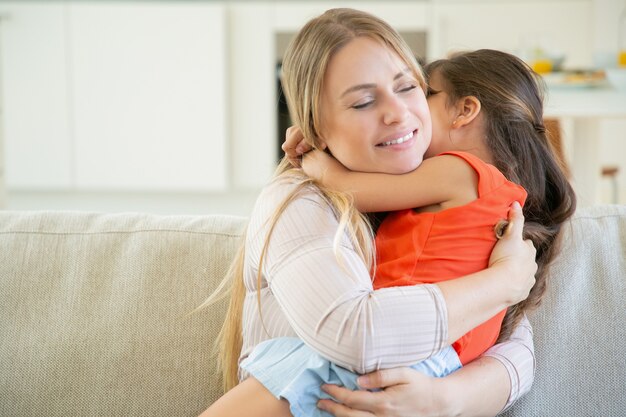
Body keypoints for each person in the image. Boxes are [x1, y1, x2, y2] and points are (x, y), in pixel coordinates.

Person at [200, 9, 541, 417]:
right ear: (315, 128)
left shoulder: (437, 195)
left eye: (409, 88)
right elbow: (359, 338)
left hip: (406, 377)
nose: (397, 113)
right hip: (338, 384)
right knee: (298, 370)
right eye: (362, 102)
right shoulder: (300, 201)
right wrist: (504, 281)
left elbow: (516, 349)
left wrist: (443, 400)